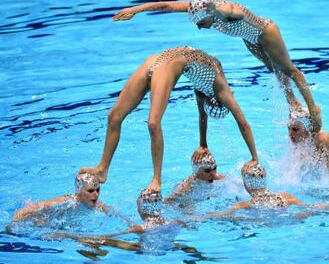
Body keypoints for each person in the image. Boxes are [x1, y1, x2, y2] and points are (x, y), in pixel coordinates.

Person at [112, 0, 321, 128]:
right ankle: (293, 102)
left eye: (202, 24)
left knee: (289, 69)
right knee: (275, 70)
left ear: (210, 14)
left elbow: (234, 11)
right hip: (249, 39)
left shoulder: (224, 10)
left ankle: (313, 110)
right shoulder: (199, 7)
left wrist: (220, 9)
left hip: (265, 33)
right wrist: (136, 9)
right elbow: (167, 4)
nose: (200, 28)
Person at [79, 46, 259, 196]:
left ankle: (154, 178)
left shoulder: (205, 87)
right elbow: (243, 123)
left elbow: (201, 114)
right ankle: (105, 169)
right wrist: (254, 157)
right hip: (163, 63)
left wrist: (203, 143)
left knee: (145, 122)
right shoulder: (223, 91)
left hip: (161, 59)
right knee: (118, 116)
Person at [49, 189, 190, 258]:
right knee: (180, 245)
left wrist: (70, 235)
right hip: (169, 247)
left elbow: (112, 235)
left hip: (143, 250)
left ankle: (92, 256)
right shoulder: (174, 221)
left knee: (102, 241)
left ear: (141, 210)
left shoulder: (140, 228)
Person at [209, 165, 329, 225]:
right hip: (293, 217)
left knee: (235, 218)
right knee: (324, 207)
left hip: (265, 222)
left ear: (245, 185)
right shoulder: (285, 196)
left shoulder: (245, 204)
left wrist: (196, 218)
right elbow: (307, 206)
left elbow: (219, 215)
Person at [11, 174, 108, 225]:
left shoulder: (97, 203)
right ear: (79, 191)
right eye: (90, 191)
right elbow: (33, 207)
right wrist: (13, 223)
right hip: (44, 222)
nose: (96, 194)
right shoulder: (67, 202)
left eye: (98, 190)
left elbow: (114, 214)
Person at [287, 108, 329, 181]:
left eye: (295, 130)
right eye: (289, 128)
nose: (290, 134)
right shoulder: (302, 143)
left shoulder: (323, 140)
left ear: (307, 129)